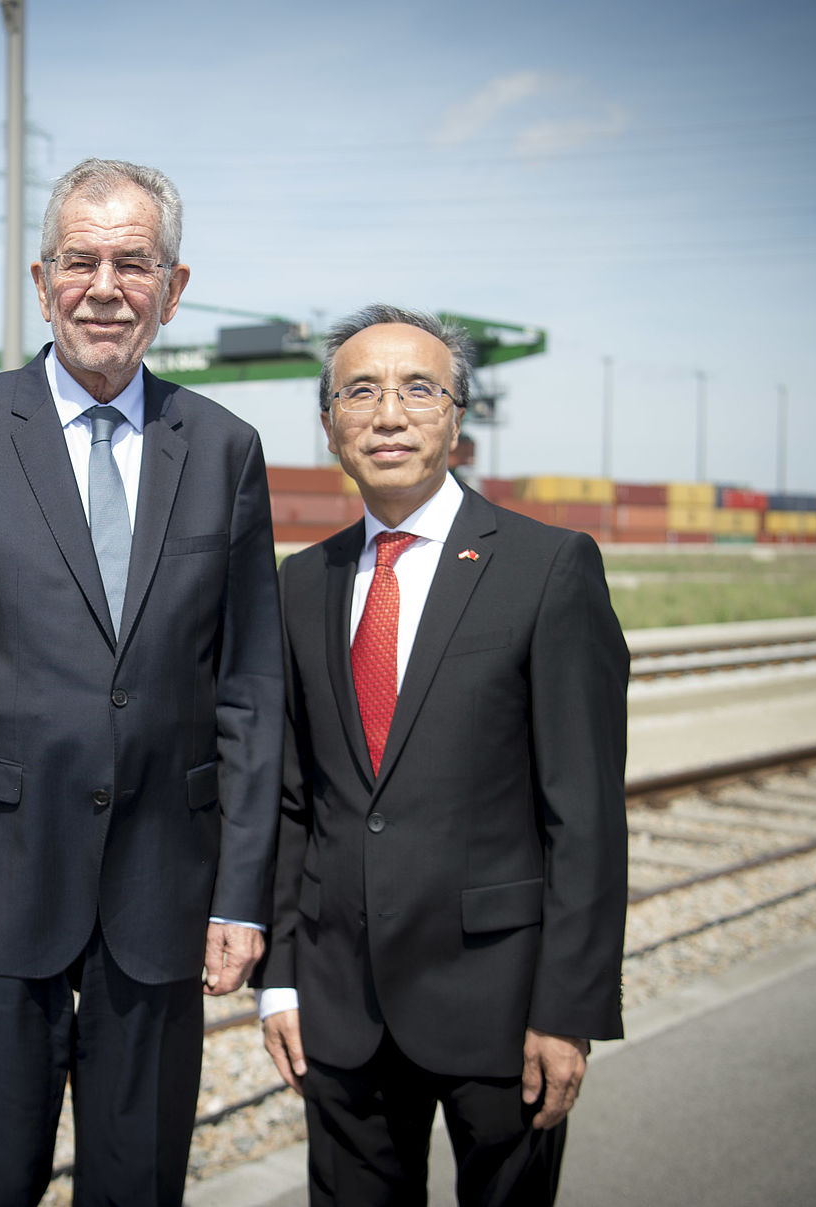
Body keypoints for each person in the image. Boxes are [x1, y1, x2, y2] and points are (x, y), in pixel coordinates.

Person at [0, 158, 283, 1205]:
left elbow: (247, 692)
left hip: (162, 896)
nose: (105, 287)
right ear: (41, 278)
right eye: (80, 260)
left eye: (133, 263)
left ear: (173, 288)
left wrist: (242, 895)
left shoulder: (225, 449)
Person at [260, 305, 628, 1207]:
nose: (388, 414)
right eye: (360, 392)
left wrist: (568, 1009)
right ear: (329, 426)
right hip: (341, 1009)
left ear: (458, 418)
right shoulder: (301, 582)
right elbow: (295, 799)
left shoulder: (548, 568)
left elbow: (584, 814)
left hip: (503, 1009)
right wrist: (280, 980)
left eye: (418, 390)